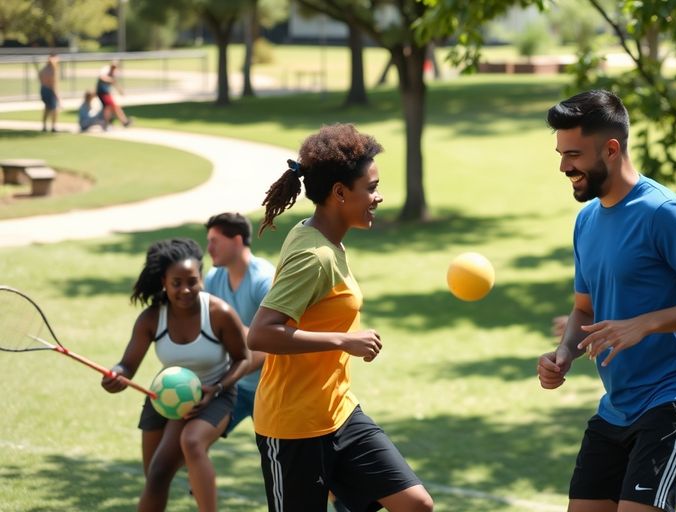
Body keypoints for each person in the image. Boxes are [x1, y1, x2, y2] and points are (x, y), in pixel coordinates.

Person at [536, 90, 676, 512]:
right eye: (560, 154)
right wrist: (564, 352)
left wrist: (644, 323)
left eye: (573, 154)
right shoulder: (587, 220)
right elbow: (584, 310)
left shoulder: (662, 211)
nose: (563, 166)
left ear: (611, 150)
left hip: (675, 399)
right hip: (616, 408)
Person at [247, 124, 434, 512]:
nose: (378, 197)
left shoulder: (324, 237)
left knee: (415, 504)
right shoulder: (314, 255)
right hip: (293, 426)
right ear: (339, 193)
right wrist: (344, 341)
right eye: (371, 188)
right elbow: (261, 334)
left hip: (338, 412)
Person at [102, 238, 250, 512]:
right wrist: (116, 376)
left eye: (192, 281)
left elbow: (243, 358)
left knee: (191, 442)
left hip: (215, 392)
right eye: (176, 282)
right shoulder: (151, 318)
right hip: (163, 395)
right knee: (156, 478)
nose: (185, 289)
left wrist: (216, 388)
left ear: (201, 278)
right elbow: (127, 365)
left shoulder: (219, 313)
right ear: (163, 281)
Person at [203, 212, 275, 434]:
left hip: (270, 388)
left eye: (214, 241)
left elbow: (272, 343)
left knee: (276, 459)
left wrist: (228, 375)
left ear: (236, 240)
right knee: (193, 440)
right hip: (235, 385)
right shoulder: (214, 278)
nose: (209, 249)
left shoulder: (264, 280)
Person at [97, 60, 132, 127]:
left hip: (107, 92)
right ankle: (121, 122)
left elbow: (115, 83)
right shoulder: (105, 69)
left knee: (112, 107)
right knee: (111, 107)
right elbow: (102, 77)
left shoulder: (115, 73)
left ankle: (122, 121)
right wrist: (110, 80)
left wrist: (120, 91)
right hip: (102, 92)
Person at [38, 53, 59, 132]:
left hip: (43, 89)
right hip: (49, 90)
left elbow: (40, 77)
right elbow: (54, 85)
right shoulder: (52, 70)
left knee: (47, 108)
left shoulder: (44, 69)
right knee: (54, 109)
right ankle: (53, 127)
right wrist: (58, 97)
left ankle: (44, 126)